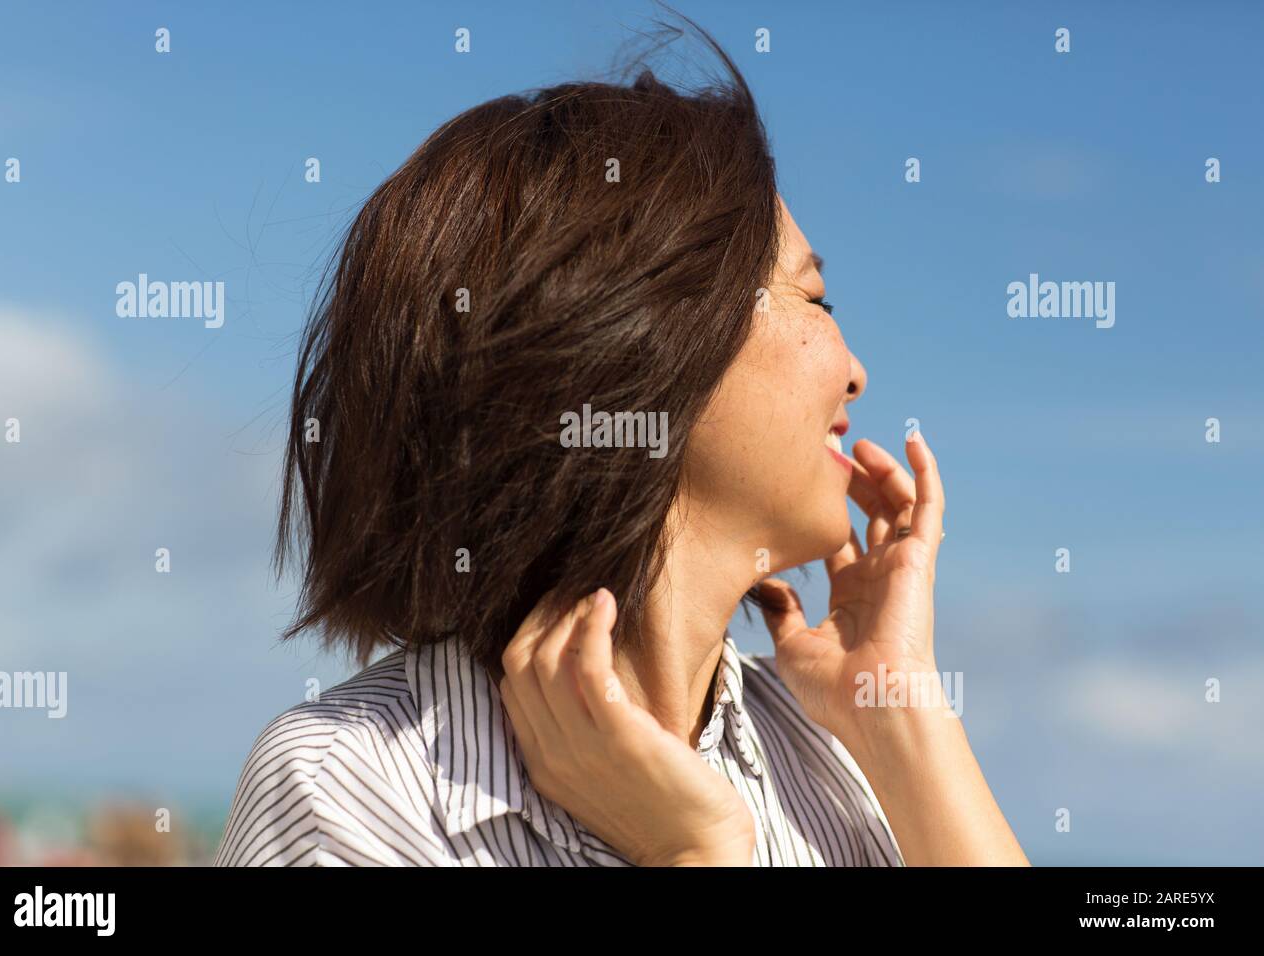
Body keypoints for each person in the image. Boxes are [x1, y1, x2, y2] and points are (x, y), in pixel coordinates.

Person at [214, 18, 1027, 867]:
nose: (855, 373)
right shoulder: (354, 784)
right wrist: (698, 854)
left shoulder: (836, 764)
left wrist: (898, 711)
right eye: (814, 300)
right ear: (646, 337)